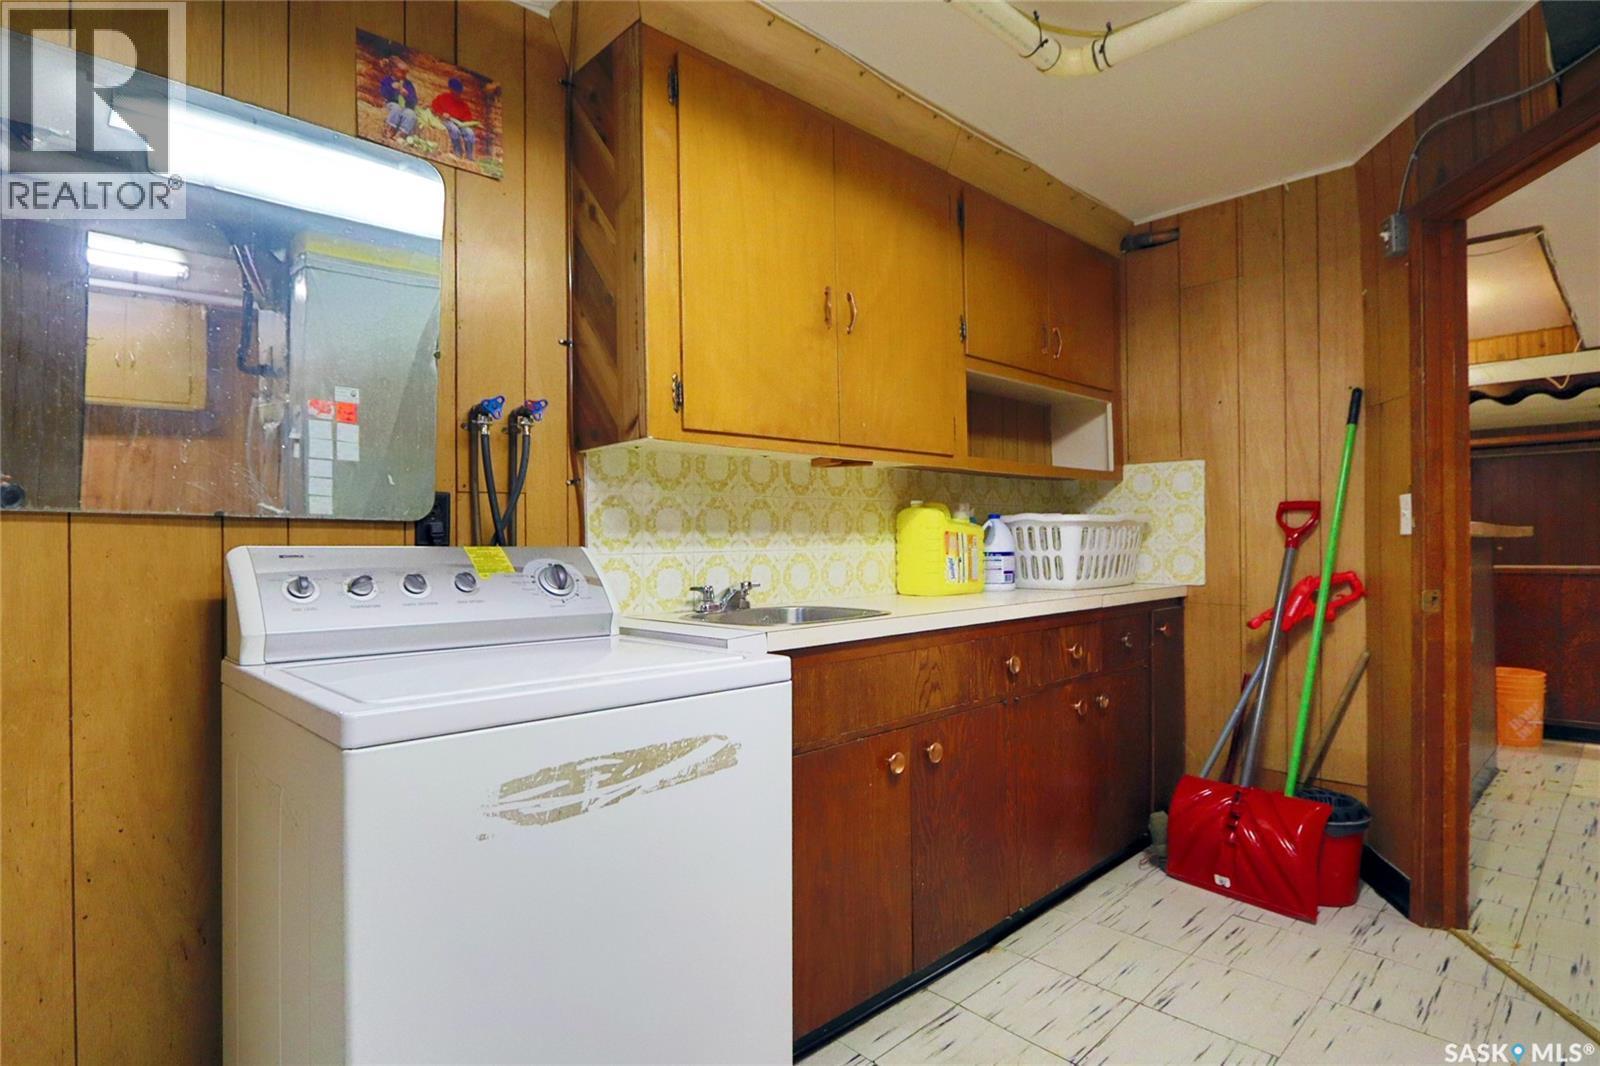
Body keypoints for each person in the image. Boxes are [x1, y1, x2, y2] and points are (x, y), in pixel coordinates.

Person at [431, 77, 477, 161]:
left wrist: (469, 124)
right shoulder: (443, 97)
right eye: (455, 91)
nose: (457, 94)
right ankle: (457, 153)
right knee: (454, 130)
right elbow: (434, 106)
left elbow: (468, 118)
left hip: (460, 123)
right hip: (446, 121)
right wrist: (442, 113)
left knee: (469, 133)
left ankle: (469, 157)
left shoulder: (463, 104)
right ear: (451, 90)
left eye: (458, 92)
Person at [380, 58, 418, 140]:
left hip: (405, 107)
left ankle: (401, 134)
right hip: (391, 103)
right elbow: (383, 93)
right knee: (396, 108)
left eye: (405, 73)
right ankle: (390, 129)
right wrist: (392, 88)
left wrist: (407, 95)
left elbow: (414, 101)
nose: (403, 75)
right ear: (393, 70)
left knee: (411, 114)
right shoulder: (387, 80)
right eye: (401, 72)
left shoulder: (408, 84)